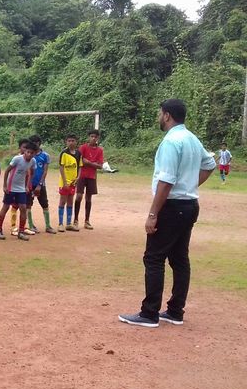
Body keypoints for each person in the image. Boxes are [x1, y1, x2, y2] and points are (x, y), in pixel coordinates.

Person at [118, 99, 216, 328]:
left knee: (154, 257)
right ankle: (175, 311)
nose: (158, 117)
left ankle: (149, 313)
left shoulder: (171, 141)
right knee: (179, 258)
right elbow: (210, 164)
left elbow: (166, 180)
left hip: (172, 207)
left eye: (160, 113)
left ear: (168, 115)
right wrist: (190, 185)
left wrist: (153, 214)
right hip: (190, 204)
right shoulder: (191, 138)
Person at [0, 141, 37, 241]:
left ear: (34, 153)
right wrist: (5, 185)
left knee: (23, 208)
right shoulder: (17, 159)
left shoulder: (33, 161)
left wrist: (27, 186)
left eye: (31, 153)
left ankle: (21, 231)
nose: (29, 154)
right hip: (11, 187)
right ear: (24, 151)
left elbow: (31, 174)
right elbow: (7, 171)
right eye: (27, 152)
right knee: (5, 207)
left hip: (21, 189)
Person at [74, 130, 104, 230]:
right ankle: (75, 220)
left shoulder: (100, 150)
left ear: (98, 138)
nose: (93, 138)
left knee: (88, 198)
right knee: (79, 196)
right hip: (82, 175)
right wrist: (93, 163)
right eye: (91, 136)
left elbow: (100, 166)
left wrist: (88, 162)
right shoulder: (83, 147)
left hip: (92, 176)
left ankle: (87, 221)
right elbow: (79, 160)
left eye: (95, 137)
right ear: (88, 137)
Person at [26, 135, 56, 234]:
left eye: (35, 143)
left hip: (40, 184)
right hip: (29, 184)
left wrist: (40, 184)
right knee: (28, 205)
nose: (33, 145)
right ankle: (31, 226)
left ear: (39, 143)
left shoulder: (45, 156)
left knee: (45, 204)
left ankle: (48, 226)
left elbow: (45, 171)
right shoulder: (29, 154)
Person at [57, 134, 82, 232]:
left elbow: (80, 166)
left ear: (76, 142)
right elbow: (61, 167)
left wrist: (78, 177)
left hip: (73, 182)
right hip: (64, 182)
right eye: (69, 141)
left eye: (73, 140)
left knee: (70, 201)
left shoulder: (78, 153)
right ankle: (60, 223)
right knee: (62, 201)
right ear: (66, 142)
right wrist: (64, 182)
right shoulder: (64, 153)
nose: (71, 142)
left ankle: (68, 223)